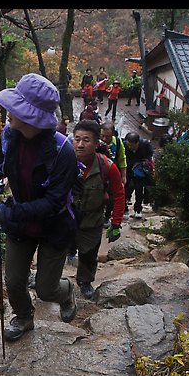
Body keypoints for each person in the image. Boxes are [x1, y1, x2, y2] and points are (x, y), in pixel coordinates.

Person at [0, 73, 79, 342]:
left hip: (54, 225)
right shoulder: (10, 135)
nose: (9, 112)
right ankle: (24, 316)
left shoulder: (62, 151)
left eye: (15, 108)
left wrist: (9, 212)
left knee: (45, 289)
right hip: (21, 222)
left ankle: (66, 291)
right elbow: (0, 162)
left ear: (31, 116)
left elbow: (54, 201)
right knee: (14, 281)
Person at [67, 120, 125, 299]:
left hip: (92, 219)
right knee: (55, 249)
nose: (80, 144)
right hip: (65, 218)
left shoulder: (106, 166)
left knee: (89, 252)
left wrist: (116, 223)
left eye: (86, 140)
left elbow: (119, 194)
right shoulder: (64, 161)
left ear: (96, 143)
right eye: (77, 139)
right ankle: (53, 283)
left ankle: (85, 281)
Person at [99, 121, 127, 228]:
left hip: (112, 173)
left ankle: (107, 216)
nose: (104, 139)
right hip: (98, 173)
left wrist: (123, 176)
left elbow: (122, 160)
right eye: (102, 136)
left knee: (112, 196)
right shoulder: (96, 142)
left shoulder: (118, 143)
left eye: (108, 136)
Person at [123, 132, 154, 219]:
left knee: (139, 190)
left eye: (132, 145)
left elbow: (150, 154)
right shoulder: (124, 145)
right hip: (128, 169)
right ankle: (124, 209)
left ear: (137, 143)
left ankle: (138, 210)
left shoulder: (145, 144)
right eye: (128, 145)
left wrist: (144, 163)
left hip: (139, 170)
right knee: (125, 189)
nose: (130, 147)